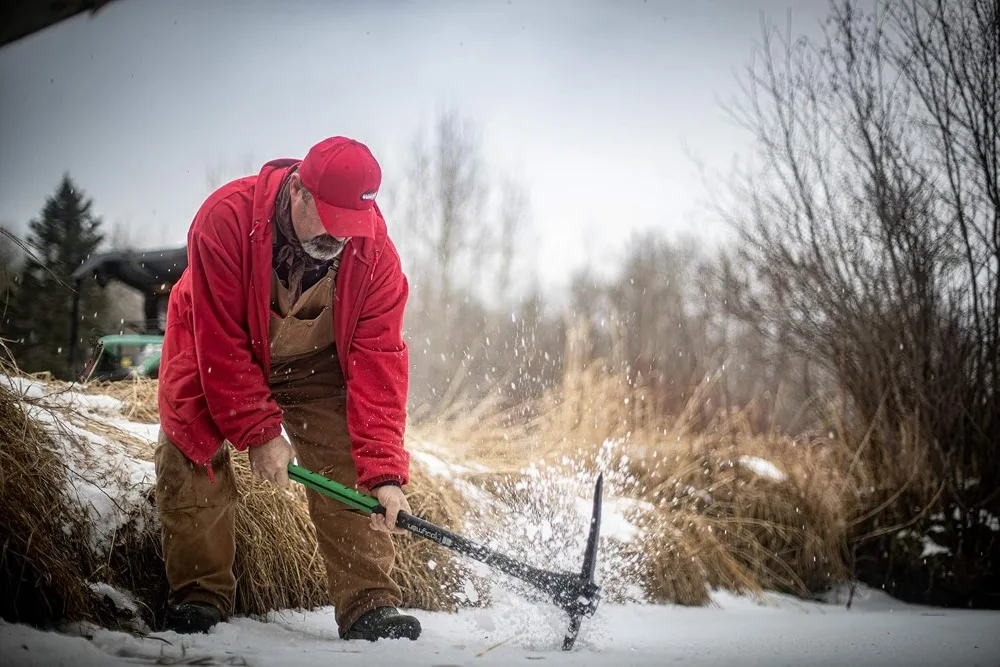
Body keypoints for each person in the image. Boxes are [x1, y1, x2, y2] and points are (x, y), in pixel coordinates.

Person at [154, 136, 419, 641]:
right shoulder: (224, 221)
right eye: (331, 222)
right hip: (218, 344)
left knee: (347, 458)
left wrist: (385, 472)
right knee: (190, 446)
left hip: (316, 366)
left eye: (350, 228)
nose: (340, 239)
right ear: (298, 190)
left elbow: (380, 365)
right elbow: (222, 346)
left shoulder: (376, 255)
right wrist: (259, 431)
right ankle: (199, 600)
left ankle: (369, 605)